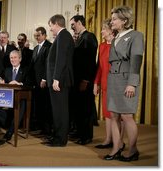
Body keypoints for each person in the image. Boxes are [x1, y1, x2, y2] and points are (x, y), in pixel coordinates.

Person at [104, 6, 144, 161]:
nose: (111, 21)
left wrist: (132, 83)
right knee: (114, 115)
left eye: (114, 19)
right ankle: (116, 147)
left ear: (125, 20)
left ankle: (133, 150)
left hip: (127, 80)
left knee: (127, 116)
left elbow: (136, 61)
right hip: (113, 79)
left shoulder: (136, 36)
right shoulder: (115, 37)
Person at [42, 14, 74, 147]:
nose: (50, 29)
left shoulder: (64, 35)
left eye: (50, 26)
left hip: (59, 80)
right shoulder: (62, 36)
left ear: (56, 24)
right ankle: (57, 136)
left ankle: (60, 139)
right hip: (58, 79)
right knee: (57, 110)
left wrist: (56, 79)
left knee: (60, 110)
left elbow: (61, 59)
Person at [94, 19, 124, 149]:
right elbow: (100, 67)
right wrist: (96, 83)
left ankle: (119, 143)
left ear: (111, 31)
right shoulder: (101, 46)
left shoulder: (118, 45)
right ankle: (108, 139)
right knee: (107, 114)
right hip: (105, 84)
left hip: (117, 84)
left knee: (118, 115)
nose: (101, 31)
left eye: (104, 29)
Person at [69, 15, 98, 145]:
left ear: (79, 23)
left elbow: (90, 61)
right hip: (78, 79)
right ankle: (80, 133)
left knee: (86, 109)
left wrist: (86, 80)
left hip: (84, 80)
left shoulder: (89, 37)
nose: (72, 27)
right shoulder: (81, 38)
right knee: (79, 108)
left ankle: (86, 136)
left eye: (73, 24)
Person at [0, 50, 30, 141]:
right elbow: (1, 79)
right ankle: (6, 125)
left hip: (21, 97)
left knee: (20, 106)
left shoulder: (26, 70)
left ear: (20, 59)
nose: (13, 59)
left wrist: (19, 83)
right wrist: (1, 81)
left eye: (15, 57)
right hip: (7, 97)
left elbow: (29, 83)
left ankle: (10, 132)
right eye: (11, 58)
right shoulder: (6, 70)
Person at [30, 26, 52, 135]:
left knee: (46, 106)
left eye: (38, 35)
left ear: (44, 35)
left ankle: (47, 130)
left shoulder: (49, 47)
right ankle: (41, 128)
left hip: (44, 82)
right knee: (38, 106)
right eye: (35, 36)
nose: (37, 38)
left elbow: (48, 65)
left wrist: (44, 78)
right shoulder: (35, 48)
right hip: (36, 82)